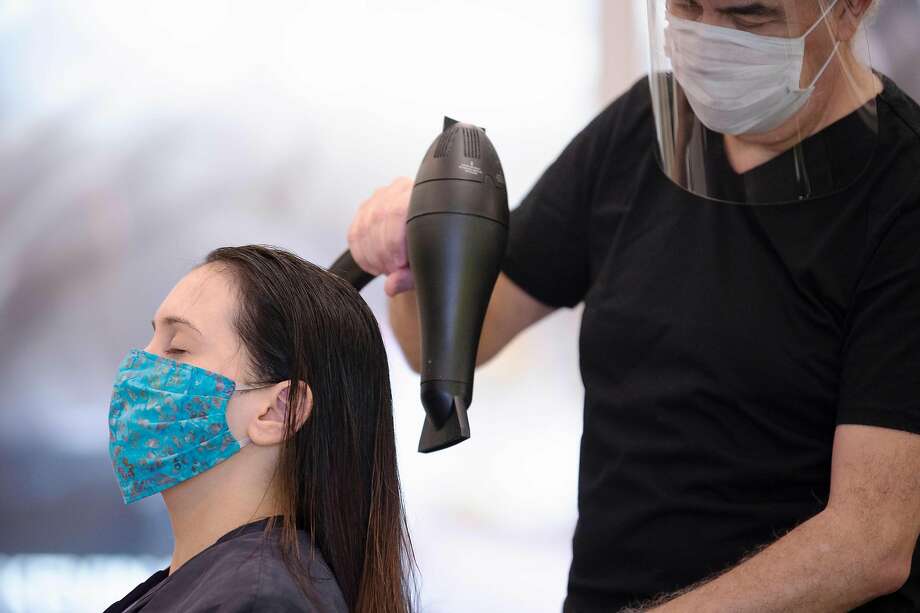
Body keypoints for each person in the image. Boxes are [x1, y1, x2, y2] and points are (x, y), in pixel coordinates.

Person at [347, 1, 920, 611]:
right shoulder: (645, 127)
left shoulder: (902, 195)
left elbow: (870, 541)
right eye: (687, 7)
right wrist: (420, 252)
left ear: (850, 9)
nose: (710, 37)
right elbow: (449, 343)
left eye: (749, 17)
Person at [104, 245, 415, 613]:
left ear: (278, 411)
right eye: (152, 338)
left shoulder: (260, 600)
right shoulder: (217, 584)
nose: (139, 368)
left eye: (177, 348)